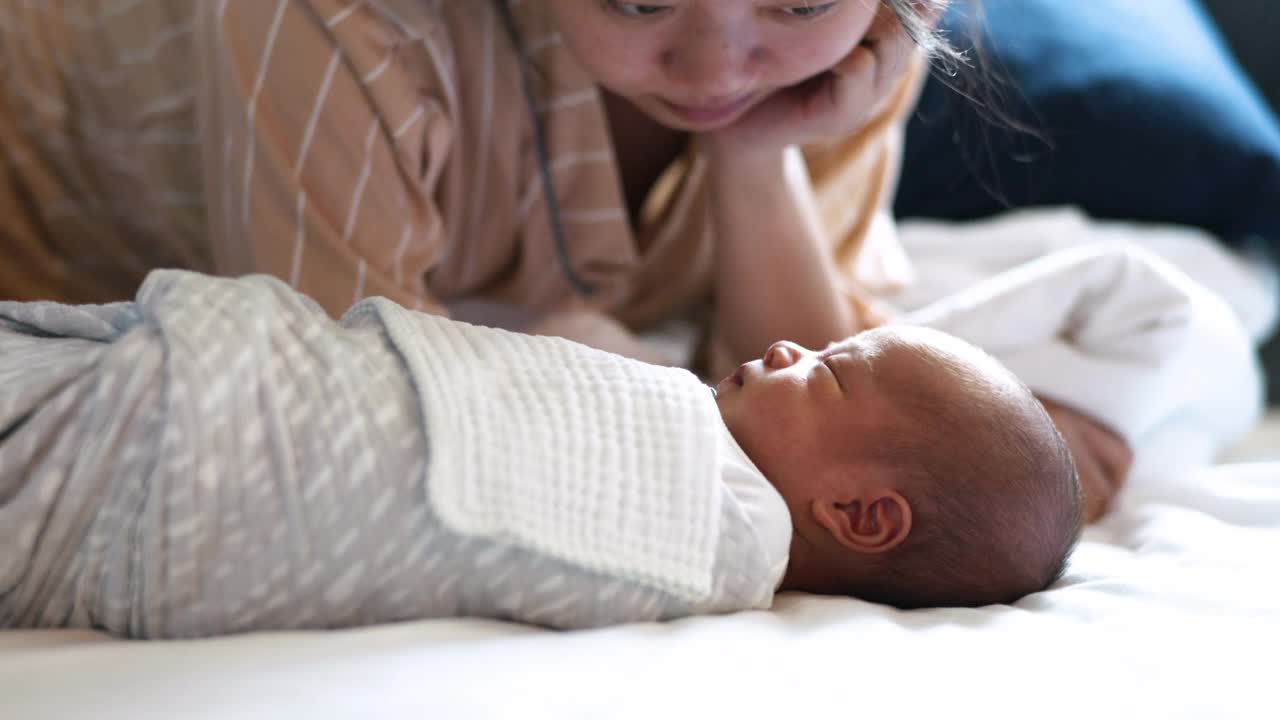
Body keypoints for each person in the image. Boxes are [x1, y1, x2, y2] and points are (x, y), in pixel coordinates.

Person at [0, 1, 1126, 515]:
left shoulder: (863, 36)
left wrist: (752, 160)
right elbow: (343, 415)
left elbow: (823, 414)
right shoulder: (342, 17)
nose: (715, 63)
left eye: (794, 0)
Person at [0, 270, 1082, 637]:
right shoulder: (691, 434)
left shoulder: (718, 533)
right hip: (214, 380)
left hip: (166, 459)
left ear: (859, 517)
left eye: (832, 371)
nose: (794, 343)